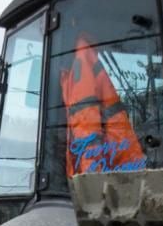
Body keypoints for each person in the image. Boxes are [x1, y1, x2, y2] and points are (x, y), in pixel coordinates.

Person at [60, 34, 146, 177]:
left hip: (100, 177)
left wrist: (91, 179)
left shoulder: (82, 62)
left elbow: (87, 127)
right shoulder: (81, 64)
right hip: (119, 170)